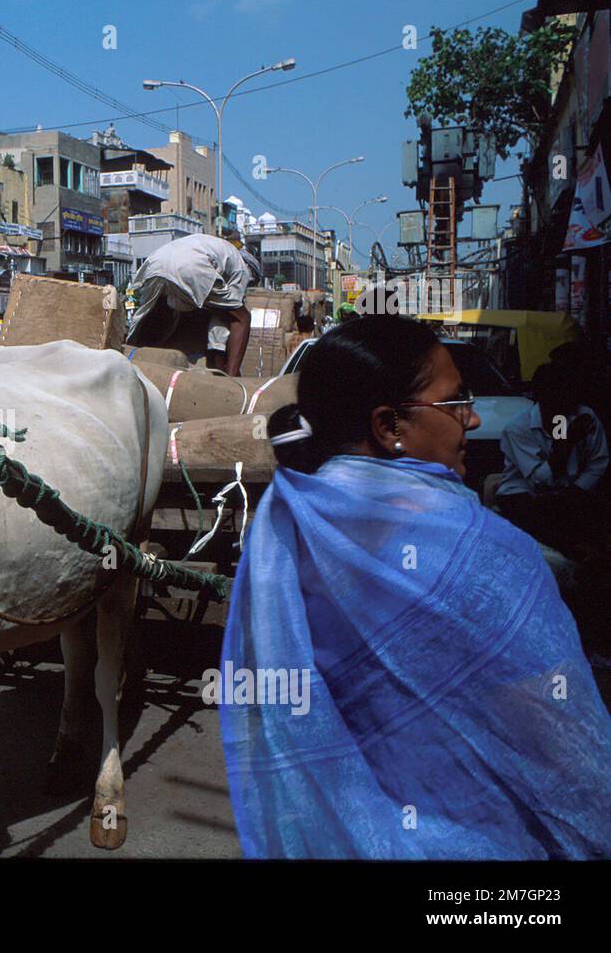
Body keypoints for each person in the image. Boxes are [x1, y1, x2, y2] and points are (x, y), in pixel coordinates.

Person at [222, 315, 611, 859]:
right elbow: (563, 745)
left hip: (335, 834)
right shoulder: (488, 555)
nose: (471, 419)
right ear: (390, 427)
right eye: (454, 403)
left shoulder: (285, 522)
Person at [494, 363, 607, 561]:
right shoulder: (518, 428)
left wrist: (577, 490)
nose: (561, 407)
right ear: (540, 398)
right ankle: (575, 552)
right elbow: (540, 480)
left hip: (570, 491)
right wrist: (568, 442)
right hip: (525, 492)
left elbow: (598, 462)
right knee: (535, 515)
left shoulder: (582, 417)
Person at [125, 233, 262, 376]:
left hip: (154, 263)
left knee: (150, 315)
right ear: (251, 273)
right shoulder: (242, 268)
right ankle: (231, 378)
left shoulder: (217, 249)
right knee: (242, 318)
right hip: (192, 266)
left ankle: (130, 358)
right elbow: (231, 318)